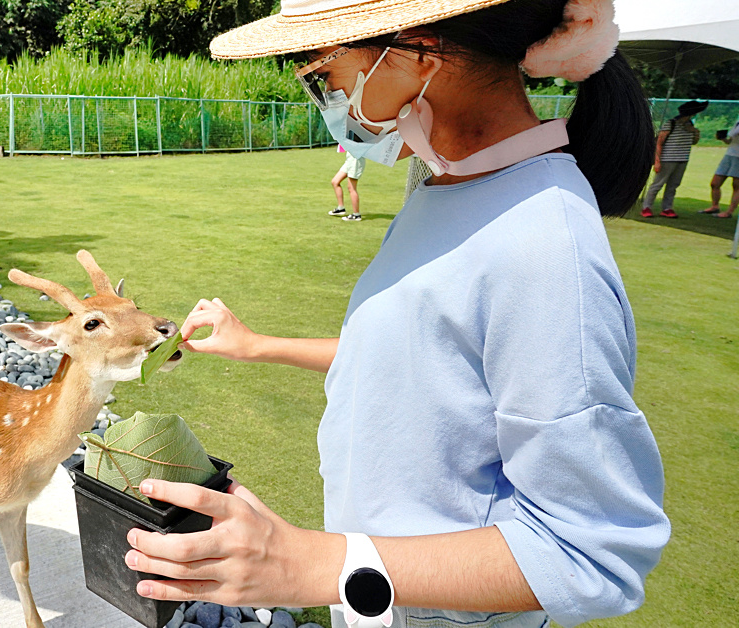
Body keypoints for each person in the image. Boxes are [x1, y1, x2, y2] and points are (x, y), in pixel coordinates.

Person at [123, 2, 670, 628]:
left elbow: (589, 551)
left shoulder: (543, 243)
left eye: (321, 68)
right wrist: (255, 344)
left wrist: (313, 563)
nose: (319, 89)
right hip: (380, 599)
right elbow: (424, 361)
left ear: (418, 54)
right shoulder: (444, 185)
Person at [641, 100, 707, 218]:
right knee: (657, 184)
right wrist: (657, 161)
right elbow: (659, 142)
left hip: (682, 159)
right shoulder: (671, 124)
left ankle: (667, 208)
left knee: (673, 185)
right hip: (667, 159)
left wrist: (696, 133)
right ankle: (646, 207)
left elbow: (693, 142)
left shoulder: (690, 125)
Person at [703, 118, 739, 219]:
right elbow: (731, 140)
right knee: (715, 183)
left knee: (736, 185)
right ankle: (715, 206)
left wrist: (732, 134)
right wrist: (723, 138)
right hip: (729, 154)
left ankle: (729, 211)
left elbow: (734, 133)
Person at [329, 148, 365, 220]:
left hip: (356, 159)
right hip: (349, 159)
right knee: (335, 182)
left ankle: (356, 215)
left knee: (351, 188)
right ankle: (341, 208)